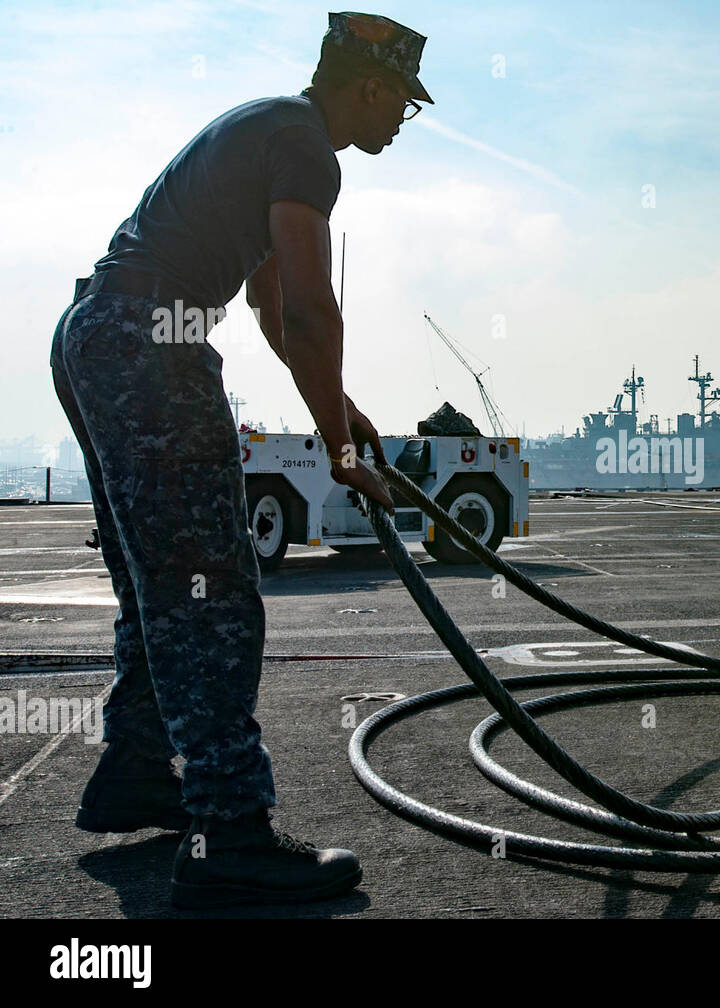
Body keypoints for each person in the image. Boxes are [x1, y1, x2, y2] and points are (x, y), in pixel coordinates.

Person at [52, 11, 428, 908]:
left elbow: (265, 309)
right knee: (211, 590)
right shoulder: (308, 148)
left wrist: (344, 413)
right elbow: (307, 308)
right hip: (148, 345)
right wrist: (339, 448)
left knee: (159, 584)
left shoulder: (268, 128)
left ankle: (138, 774)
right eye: (399, 105)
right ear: (365, 85)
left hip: (99, 331)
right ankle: (230, 831)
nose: (399, 124)